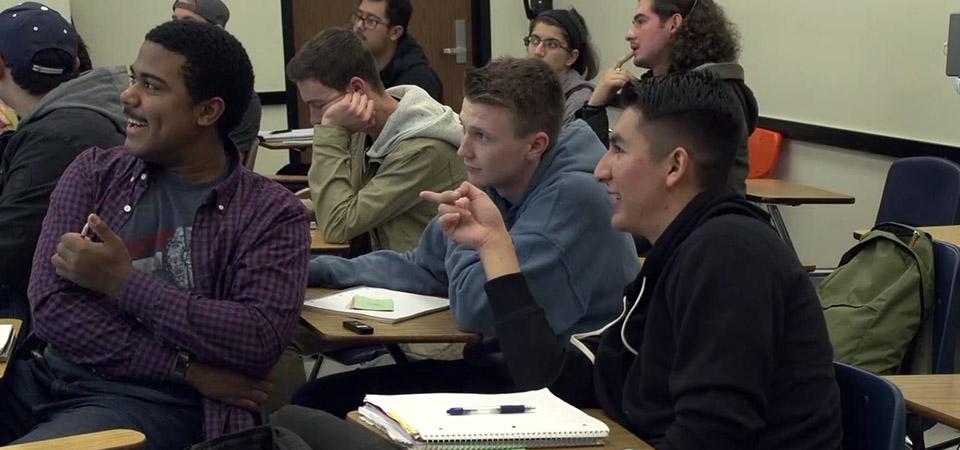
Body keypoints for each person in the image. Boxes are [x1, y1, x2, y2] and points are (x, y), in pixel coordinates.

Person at [424, 71, 843, 449]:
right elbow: (558, 378)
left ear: (675, 166)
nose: (601, 170)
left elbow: (712, 435)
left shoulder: (730, 257)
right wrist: (494, 246)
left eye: (618, 150)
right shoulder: (676, 253)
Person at [0, 20, 310, 448]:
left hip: (151, 405)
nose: (127, 96)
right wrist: (186, 368)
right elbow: (53, 309)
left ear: (207, 111)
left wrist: (122, 283)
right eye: (133, 78)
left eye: (152, 86)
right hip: (42, 378)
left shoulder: (272, 214)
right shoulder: (93, 173)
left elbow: (257, 338)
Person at [294, 57, 637, 418]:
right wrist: (322, 270)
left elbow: (476, 309)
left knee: (320, 406)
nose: (463, 150)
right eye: (465, 128)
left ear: (536, 144)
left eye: (482, 137)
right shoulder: (505, 177)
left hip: (562, 394)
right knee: (317, 400)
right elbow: (424, 267)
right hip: (505, 367)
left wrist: (466, 237)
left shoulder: (571, 199)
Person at [0, 2, 126, 333]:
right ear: (74, 62)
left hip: (48, 329)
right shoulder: (87, 114)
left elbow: (8, 250)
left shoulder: (56, 137)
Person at [287, 27, 465, 252]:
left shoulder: (423, 148)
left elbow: (338, 225)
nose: (315, 119)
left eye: (319, 105)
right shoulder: (361, 126)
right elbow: (340, 200)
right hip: (387, 268)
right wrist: (276, 210)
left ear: (357, 88)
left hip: (424, 281)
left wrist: (330, 133)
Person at [578, 0, 756, 194]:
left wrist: (595, 106)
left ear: (673, 23)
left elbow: (622, 177)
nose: (629, 34)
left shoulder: (699, 98)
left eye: (640, 21)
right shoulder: (678, 91)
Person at [172, 0, 263, 159]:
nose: (177, 31)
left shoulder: (239, 97)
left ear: (215, 31)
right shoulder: (161, 85)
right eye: (174, 22)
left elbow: (225, 171)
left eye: (188, 23)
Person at [352, 0, 443, 102]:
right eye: (359, 16)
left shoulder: (419, 83)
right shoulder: (351, 62)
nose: (359, 25)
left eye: (371, 21)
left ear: (395, 32)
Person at [525, 8, 598, 124]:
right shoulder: (522, 87)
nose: (538, 51)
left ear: (571, 57)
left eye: (551, 44)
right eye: (534, 40)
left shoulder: (580, 99)